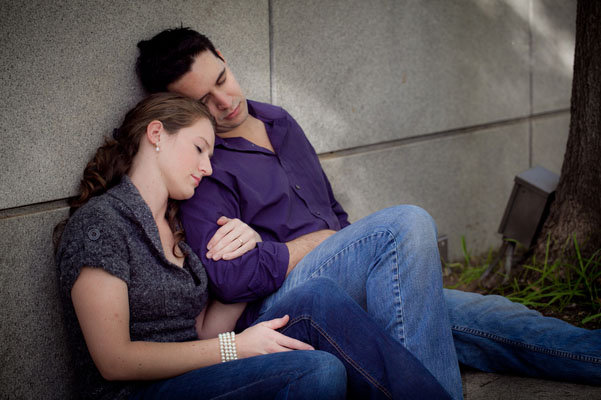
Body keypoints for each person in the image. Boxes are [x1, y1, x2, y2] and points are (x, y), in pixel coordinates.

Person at [135, 26, 601, 397]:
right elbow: (231, 280)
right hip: (285, 309)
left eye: (222, 78)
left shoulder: (278, 120)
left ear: (225, 59)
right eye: (203, 102)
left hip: (343, 278)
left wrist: (344, 248)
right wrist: (321, 245)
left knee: (490, 317)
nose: (225, 101)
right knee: (406, 223)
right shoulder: (203, 164)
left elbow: (332, 214)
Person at [54, 92, 451, 399]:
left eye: (210, 154)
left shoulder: (176, 226)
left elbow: (202, 330)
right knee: (317, 370)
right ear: (156, 134)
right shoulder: (101, 225)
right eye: (199, 148)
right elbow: (114, 360)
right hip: (139, 393)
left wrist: (250, 245)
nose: (208, 167)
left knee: (319, 297)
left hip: (199, 372)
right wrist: (235, 347)